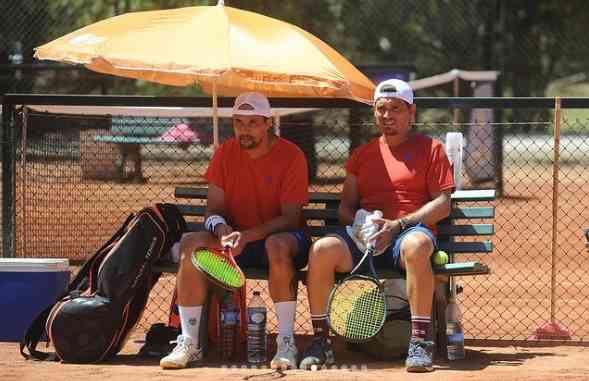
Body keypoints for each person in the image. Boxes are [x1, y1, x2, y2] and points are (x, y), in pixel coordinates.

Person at [299, 79, 455, 373]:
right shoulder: (362, 154)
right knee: (321, 250)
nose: (387, 116)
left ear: (412, 112)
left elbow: (443, 204)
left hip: (407, 234)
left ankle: (419, 343)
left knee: (418, 245)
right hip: (366, 239)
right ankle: (321, 341)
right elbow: (346, 207)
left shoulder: (431, 149)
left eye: (396, 109)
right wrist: (359, 222)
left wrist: (398, 225)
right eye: (381, 109)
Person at [160, 92, 311, 370]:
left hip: (283, 242)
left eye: (253, 122)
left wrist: (248, 235)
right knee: (191, 243)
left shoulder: (292, 155)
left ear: (268, 123)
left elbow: (291, 218)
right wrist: (222, 228)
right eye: (239, 122)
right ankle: (189, 343)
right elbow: (212, 211)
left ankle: (286, 343)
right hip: (235, 243)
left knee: (275, 245)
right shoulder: (225, 153)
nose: (245, 129)